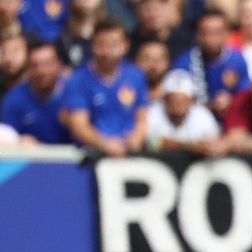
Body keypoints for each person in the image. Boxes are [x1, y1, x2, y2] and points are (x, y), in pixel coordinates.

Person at [62, 19, 148, 157]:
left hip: (131, 153)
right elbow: (78, 124)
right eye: (101, 44)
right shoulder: (78, 79)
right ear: (92, 46)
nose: (107, 51)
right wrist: (104, 144)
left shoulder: (136, 75)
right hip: (92, 155)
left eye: (114, 45)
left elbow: (142, 116)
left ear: (125, 45)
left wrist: (137, 137)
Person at [173, 9, 251, 118]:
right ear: (197, 35)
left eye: (217, 32)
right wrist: (208, 106)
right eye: (206, 32)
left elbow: (246, 96)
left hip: (229, 121)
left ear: (227, 34)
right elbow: (174, 102)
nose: (211, 38)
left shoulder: (237, 60)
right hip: (195, 123)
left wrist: (232, 101)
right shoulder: (185, 62)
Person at [1, 39, 71, 143]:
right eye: (35, 65)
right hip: (31, 157)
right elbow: (5, 137)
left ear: (59, 65)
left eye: (47, 64)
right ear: (28, 68)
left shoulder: (75, 93)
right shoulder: (14, 99)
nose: (41, 71)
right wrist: (17, 141)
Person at [147, 68, 225, 154]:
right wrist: (190, 146)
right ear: (164, 100)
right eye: (173, 100)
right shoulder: (153, 113)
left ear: (192, 100)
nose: (177, 105)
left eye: (183, 100)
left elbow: (216, 144)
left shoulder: (203, 115)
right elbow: (152, 143)